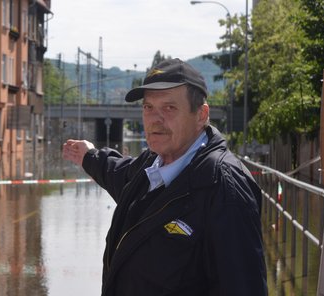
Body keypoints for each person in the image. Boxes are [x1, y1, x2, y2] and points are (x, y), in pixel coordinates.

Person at [63, 58, 268, 296]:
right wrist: (89, 156)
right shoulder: (152, 163)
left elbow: (243, 286)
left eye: (169, 108)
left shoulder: (224, 187)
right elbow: (120, 175)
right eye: (148, 107)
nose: (155, 119)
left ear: (201, 115)